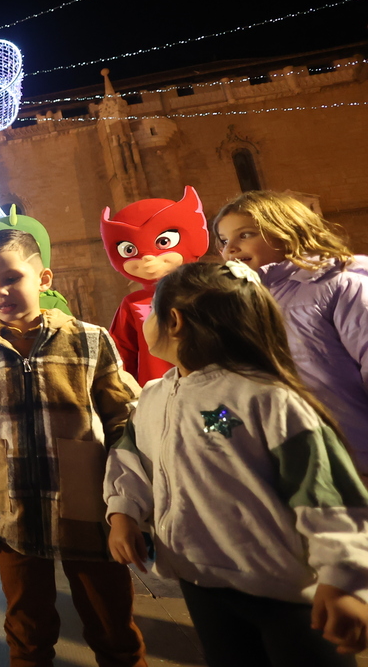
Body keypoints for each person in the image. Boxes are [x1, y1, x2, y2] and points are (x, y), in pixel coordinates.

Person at [105, 260, 368, 666]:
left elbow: (323, 490)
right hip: (200, 579)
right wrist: (123, 511)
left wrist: (343, 577)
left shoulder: (265, 399)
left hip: (287, 591)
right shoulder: (155, 396)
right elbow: (131, 454)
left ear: (172, 321)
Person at [0, 229, 146, 667]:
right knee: (27, 632)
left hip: (89, 510)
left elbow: (124, 421)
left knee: (113, 627)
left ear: (43, 278)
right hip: (11, 511)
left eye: (11, 278)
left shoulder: (89, 339)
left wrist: (127, 503)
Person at [214, 190, 368, 474]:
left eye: (245, 234)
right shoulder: (238, 306)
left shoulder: (341, 286)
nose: (230, 248)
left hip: (353, 458)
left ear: (287, 231)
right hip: (290, 468)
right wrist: (215, 432)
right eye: (223, 240)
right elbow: (236, 386)